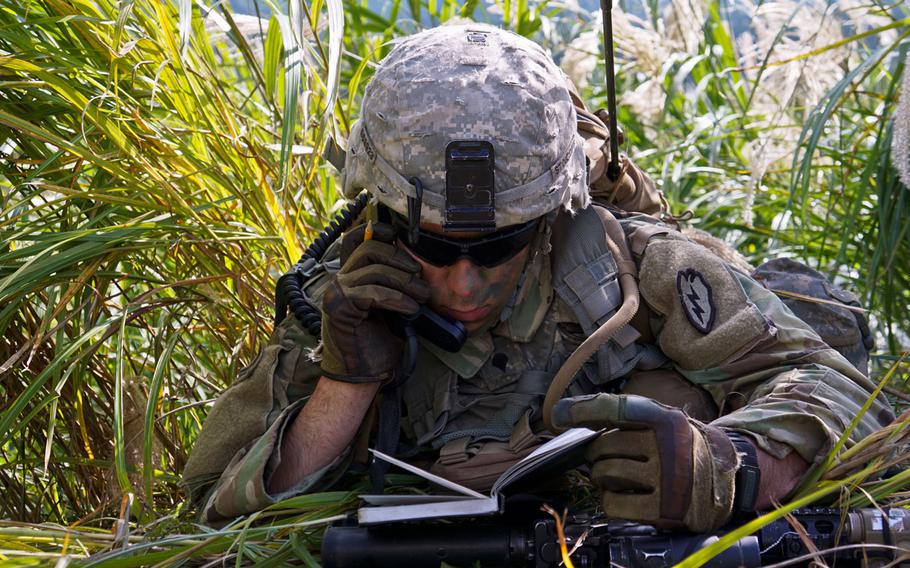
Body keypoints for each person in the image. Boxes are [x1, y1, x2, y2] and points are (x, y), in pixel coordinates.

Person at [183, 23, 894, 531]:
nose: (464, 282)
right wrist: (344, 386)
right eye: (434, 245)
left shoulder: (631, 267)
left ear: (552, 215)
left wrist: (734, 470)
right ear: (383, 218)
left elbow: (848, 396)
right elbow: (209, 508)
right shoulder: (345, 302)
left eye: (499, 246)